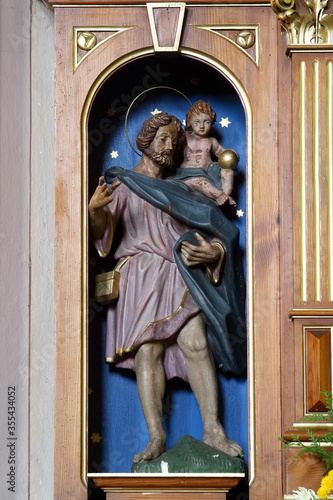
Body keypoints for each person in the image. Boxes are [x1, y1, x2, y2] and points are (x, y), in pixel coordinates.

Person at [89, 112, 246, 464]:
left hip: (179, 273)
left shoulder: (180, 186)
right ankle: (156, 436)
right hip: (140, 276)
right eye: (161, 139)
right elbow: (103, 235)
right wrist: (95, 210)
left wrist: (214, 252)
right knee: (149, 352)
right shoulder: (124, 184)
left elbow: (220, 232)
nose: (168, 147)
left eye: (174, 142)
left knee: (196, 341)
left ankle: (213, 430)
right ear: (144, 142)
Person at [179, 100, 237, 206]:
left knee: (228, 172)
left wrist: (232, 154)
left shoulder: (211, 141)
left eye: (207, 122)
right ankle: (221, 196)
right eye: (197, 122)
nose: (202, 126)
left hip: (206, 173)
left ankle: (226, 195)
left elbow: (224, 154)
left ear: (212, 122)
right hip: (187, 174)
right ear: (190, 123)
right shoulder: (185, 138)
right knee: (201, 182)